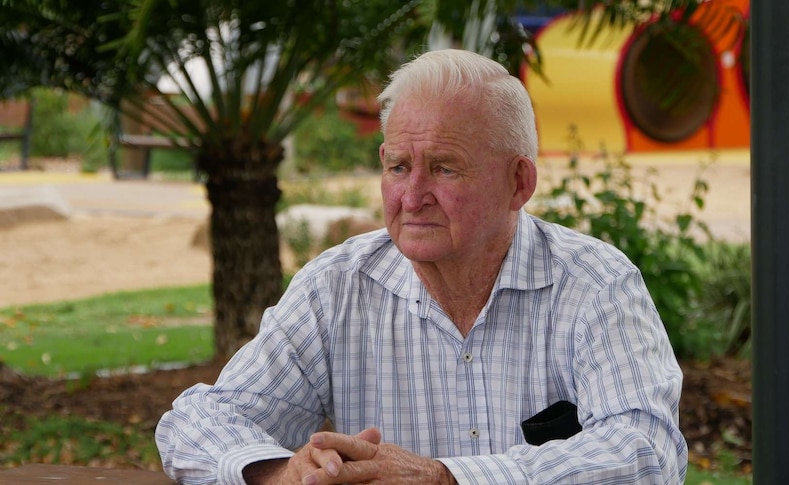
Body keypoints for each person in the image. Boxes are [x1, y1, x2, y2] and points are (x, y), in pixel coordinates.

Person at [155, 48, 688, 484]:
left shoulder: (594, 285)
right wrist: (278, 472)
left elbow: (646, 452)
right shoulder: (337, 287)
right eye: (398, 166)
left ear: (519, 184)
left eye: (444, 168)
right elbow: (197, 422)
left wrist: (448, 478)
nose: (412, 196)